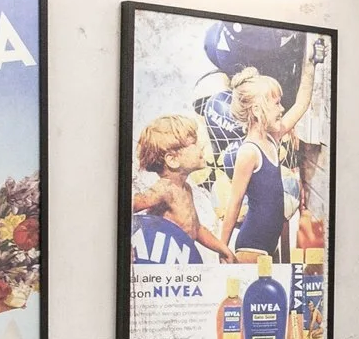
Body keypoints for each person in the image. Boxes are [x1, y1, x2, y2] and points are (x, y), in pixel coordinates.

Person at [215, 64, 313, 262]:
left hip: (269, 244)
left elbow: (301, 105)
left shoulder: (272, 138)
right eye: (276, 104)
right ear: (258, 110)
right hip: (252, 246)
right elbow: (234, 204)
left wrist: (310, 67)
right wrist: (222, 249)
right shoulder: (249, 152)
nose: (282, 108)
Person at [130, 113, 232, 262]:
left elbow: (196, 229)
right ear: (172, 160)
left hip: (182, 260)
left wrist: (223, 249)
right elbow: (127, 207)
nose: (201, 146)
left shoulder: (186, 189)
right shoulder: (164, 189)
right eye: (194, 143)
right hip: (165, 264)